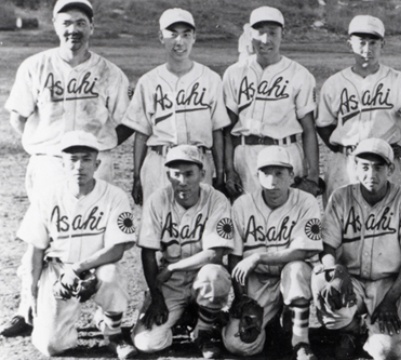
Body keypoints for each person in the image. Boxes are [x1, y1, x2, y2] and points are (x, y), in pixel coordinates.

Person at [1, 0, 132, 337]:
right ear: (56, 26)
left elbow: (127, 121)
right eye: (66, 22)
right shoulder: (35, 66)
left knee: (94, 237)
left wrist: (100, 146)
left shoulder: (109, 72)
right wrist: (42, 145)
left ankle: (108, 313)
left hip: (94, 163)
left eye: (80, 21)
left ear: (91, 26)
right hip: (48, 163)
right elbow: (17, 115)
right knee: (42, 237)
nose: (73, 29)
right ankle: (28, 308)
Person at [11, 130, 137, 359]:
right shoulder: (48, 196)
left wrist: (77, 268)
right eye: (73, 159)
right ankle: (60, 321)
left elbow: (117, 249)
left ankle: (113, 331)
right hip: (58, 271)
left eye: (86, 159)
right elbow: (35, 249)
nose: (80, 166)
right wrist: (32, 293)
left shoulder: (114, 196)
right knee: (51, 346)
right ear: (63, 163)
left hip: (97, 266)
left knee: (111, 275)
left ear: (97, 164)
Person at [311, 138, 401, 360]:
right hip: (351, 281)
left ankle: (372, 330)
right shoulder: (340, 197)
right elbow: (327, 246)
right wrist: (334, 269)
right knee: (325, 289)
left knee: (389, 352)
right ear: (355, 168)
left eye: (378, 167)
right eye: (364, 166)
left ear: (391, 169)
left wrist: (391, 299)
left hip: (388, 284)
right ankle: (351, 330)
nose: (371, 174)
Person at [130, 145, 234, 359]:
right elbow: (148, 253)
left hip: (202, 276)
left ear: (202, 174)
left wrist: (173, 266)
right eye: (176, 174)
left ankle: (204, 330)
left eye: (189, 173)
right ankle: (186, 316)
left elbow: (214, 253)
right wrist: (156, 297)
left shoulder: (217, 200)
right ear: (168, 175)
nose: (183, 181)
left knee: (215, 275)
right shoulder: (157, 200)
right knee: (146, 342)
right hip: (171, 284)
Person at [222, 146, 323, 360]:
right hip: (258, 282)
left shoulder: (307, 202)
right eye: (266, 173)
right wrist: (241, 299)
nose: (273, 181)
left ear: (291, 176)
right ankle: (269, 322)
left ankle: (300, 341)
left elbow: (303, 251)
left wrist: (259, 257)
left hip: (295, 276)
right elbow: (234, 256)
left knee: (295, 270)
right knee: (239, 345)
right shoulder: (242, 205)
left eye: (279, 173)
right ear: (257, 176)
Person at [122, 8, 230, 206]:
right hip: (159, 163)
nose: (179, 41)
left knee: (196, 228)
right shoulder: (148, 81)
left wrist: (221, 173)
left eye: (186, 34)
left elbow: (217, 131)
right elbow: (141, 134)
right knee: (157, 227)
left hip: (198, 162)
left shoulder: (211, 79)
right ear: (161, 37)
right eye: (172, 34)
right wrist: (137, 177)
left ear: (194, 37)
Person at [316, 15, 401, 203]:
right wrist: (342, 147)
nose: (367, 49)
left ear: (383, 44)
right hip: (346, 164)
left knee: (390, 221)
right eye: (361, 42)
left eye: (373, 43)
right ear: (349, 44)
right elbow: (323, 124)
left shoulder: (400, 81)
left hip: (385, 160)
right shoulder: (334, 84)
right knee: (341, 221)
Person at [222, 6, 320, 199]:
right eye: (260, 32)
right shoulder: (234, 73)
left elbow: (309, 129)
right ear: (250, 35)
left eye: (273, 33)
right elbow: (227, 128)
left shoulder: (299, 74)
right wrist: (228, 170)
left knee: (287, 221)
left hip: (285, 152)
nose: (266, 40)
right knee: (249, 220)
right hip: (246, 156)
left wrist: (314, 175)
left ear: (282, 34)